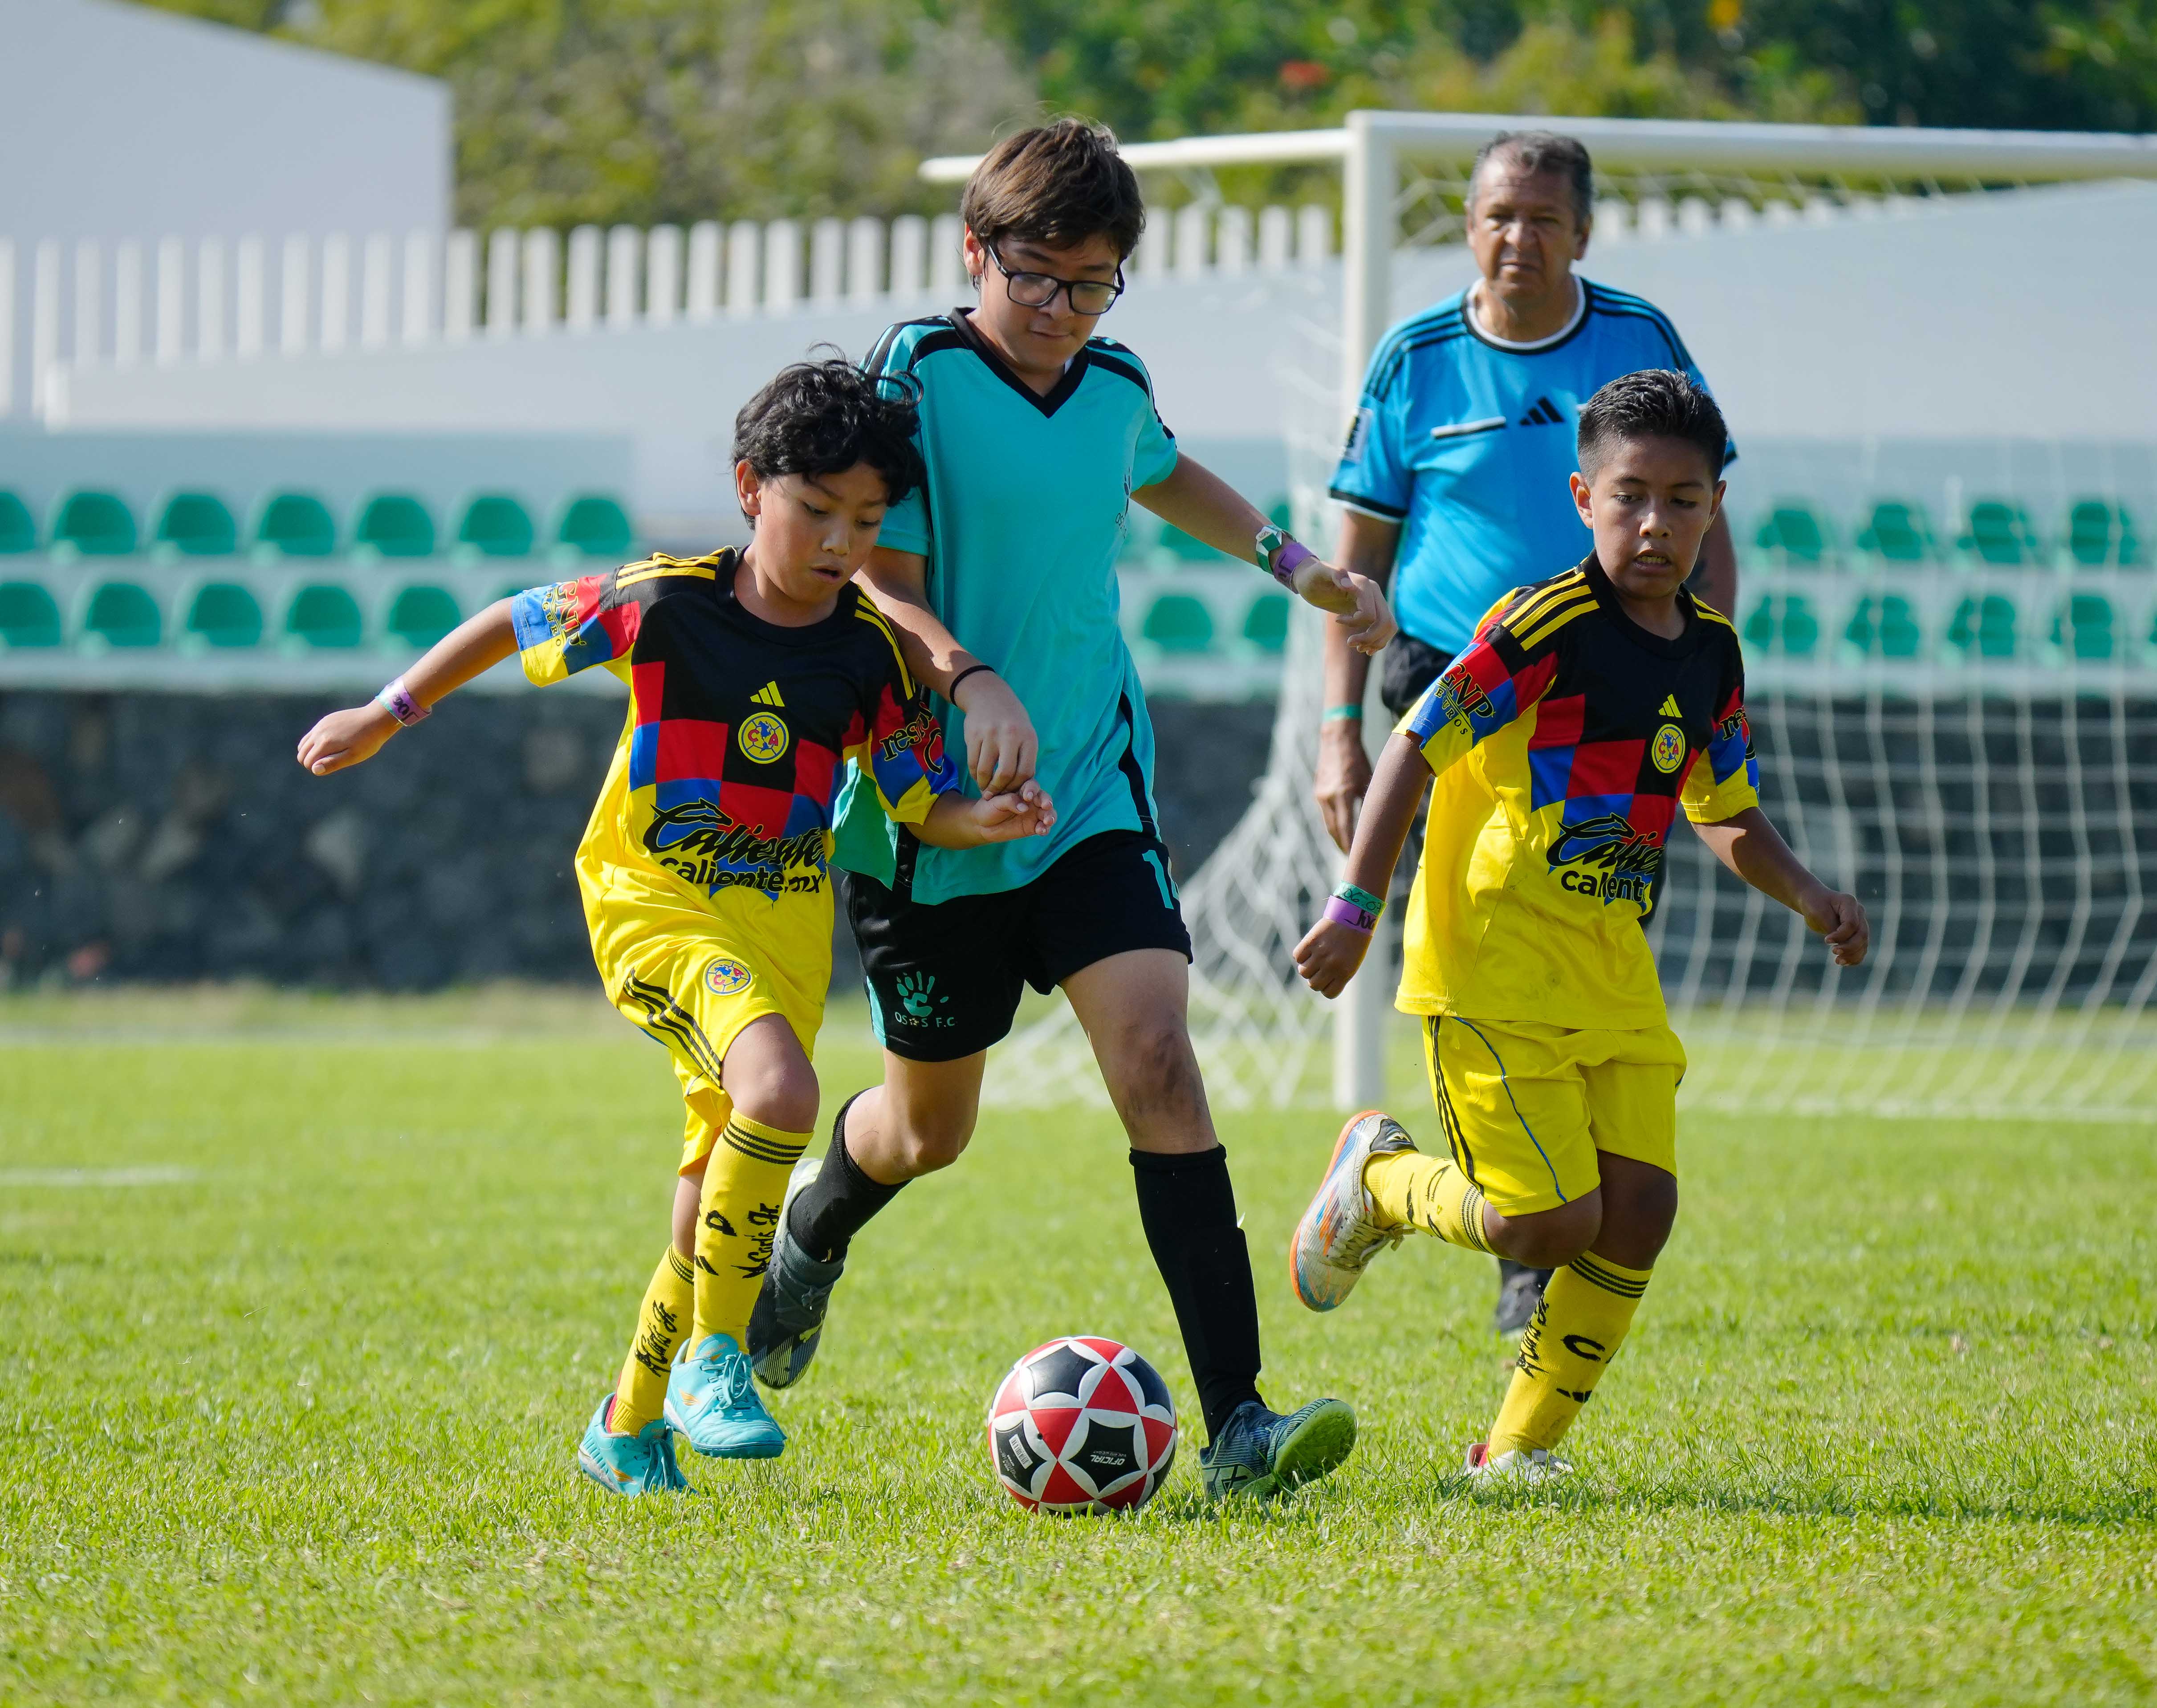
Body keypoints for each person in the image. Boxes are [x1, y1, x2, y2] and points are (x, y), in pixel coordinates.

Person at [745, 119, 1395, 1501]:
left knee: (1159, 1058)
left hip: (1092, 784)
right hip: (934, 811)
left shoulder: (1112, 382)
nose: (1057, 310)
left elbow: (1161, 467)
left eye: (1091, 284)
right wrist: (967, 676)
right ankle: (812, 1224)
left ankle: (1239, 1423)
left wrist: (1297, 564)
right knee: (929, 1130)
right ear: (975, 251)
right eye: (1035, 277)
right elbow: (878, 572)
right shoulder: (916, 376)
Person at [295, 357, 1054, 1496]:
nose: (843, 541)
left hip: (782, 931)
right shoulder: (665, 601)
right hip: (655, 902)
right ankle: (714, 1359)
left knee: (716, 1195)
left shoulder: (872, 656)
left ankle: (625, 1425)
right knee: (786, 1097)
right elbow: (514, 620)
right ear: (752, 489)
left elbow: (910, 798)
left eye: (867, 520)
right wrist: (387, 712)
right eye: (817, 510)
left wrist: (977, 818)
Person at [1287, 370, 1868, 1481]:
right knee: (1544, 1227)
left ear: (1714, 508)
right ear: (1582, 496)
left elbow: (1722, 806)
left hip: (1609, 965)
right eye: (1631, 495)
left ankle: (1515, 1454)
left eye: (1685, 500)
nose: (1656, 524)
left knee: (1641, 1209)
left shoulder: (1711, 653)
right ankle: (1382, 1183)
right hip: (1491, 961)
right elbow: (1414, 741)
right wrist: (1357, 907)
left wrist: (1808, 893)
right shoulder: (1540, 626)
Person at [1315, 131, 1742, 1338]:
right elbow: (1356, 567)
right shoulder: (1416, 358)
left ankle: (1519, 1220)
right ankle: (1503, 1223)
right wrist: (1340, 730)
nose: (1520, 238)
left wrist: (1696, 663)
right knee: (1479, 952)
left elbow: (1706, 516)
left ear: (1582, 233)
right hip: (1454, 682)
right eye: (1500, 214)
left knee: (1588, 921)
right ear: (1467, 223)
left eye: (1544, 218)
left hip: (1612, 694)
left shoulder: (1640, 344)